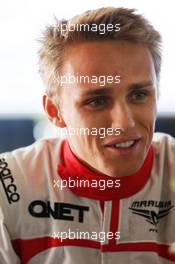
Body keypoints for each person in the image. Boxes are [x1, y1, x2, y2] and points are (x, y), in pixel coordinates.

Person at [0, 6, 175, 264]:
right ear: (54, 111)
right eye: (97, 101)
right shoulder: (8, 185)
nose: (124, 122)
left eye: (139, 95)